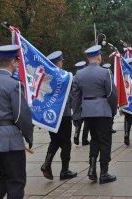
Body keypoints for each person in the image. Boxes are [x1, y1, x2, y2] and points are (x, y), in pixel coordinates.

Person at [0, 45, 33, 198]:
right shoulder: (14, 84)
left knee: (3, 178)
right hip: (9, 140)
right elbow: (20, 115)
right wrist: (28, 135)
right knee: (16, 181)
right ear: (13, 62)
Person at [72, 45, 118, 184]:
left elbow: (75, 97)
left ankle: (92, 169)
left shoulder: (79, 74)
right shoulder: (105, 72)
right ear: (99, 57)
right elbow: (111, 94)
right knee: (105, 141)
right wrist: (113, 110)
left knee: (95, 139)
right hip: (103, 111)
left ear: (87, 58)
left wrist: (77, 114)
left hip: (88, 111)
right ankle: (104, 172)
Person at [41, 51, 77, 181]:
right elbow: (72, 94)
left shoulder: (46, 77)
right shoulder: (65, 76)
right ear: (59, 62)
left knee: (55, 140)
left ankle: (47, 163)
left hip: (51, 116)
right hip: (64, 114)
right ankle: (64, 171)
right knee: (66, 142)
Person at [73, 61, 90, 146]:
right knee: (87, 123)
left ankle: (76, 135)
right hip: (86, 103)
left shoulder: (74, 78)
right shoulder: (87, 78)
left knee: (78, 121)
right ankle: (84, 139)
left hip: (77, 103)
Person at [102, 63, 117, 134]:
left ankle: (109, 128)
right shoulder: (110, 75)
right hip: (108, 98)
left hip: (104, 99)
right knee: (110, 115)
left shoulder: (106, 74)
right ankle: (109, 128)